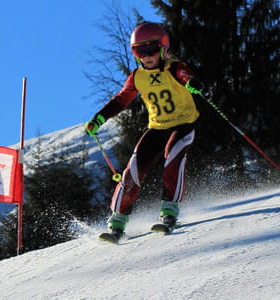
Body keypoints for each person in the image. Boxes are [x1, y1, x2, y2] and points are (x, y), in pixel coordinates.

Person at [85, 22, 207, 239]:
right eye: (140, 52)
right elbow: (121, 99)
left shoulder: (174, 67)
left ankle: (169, 211)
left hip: (184, 124)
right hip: (157, 128)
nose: (147, 56)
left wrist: (192, 83)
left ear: (163, 48)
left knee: (173, 157)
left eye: (151, 50)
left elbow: (186, 75)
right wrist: (99, 119)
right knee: (133, 169)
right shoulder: (137, 77)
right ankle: (118, 221)